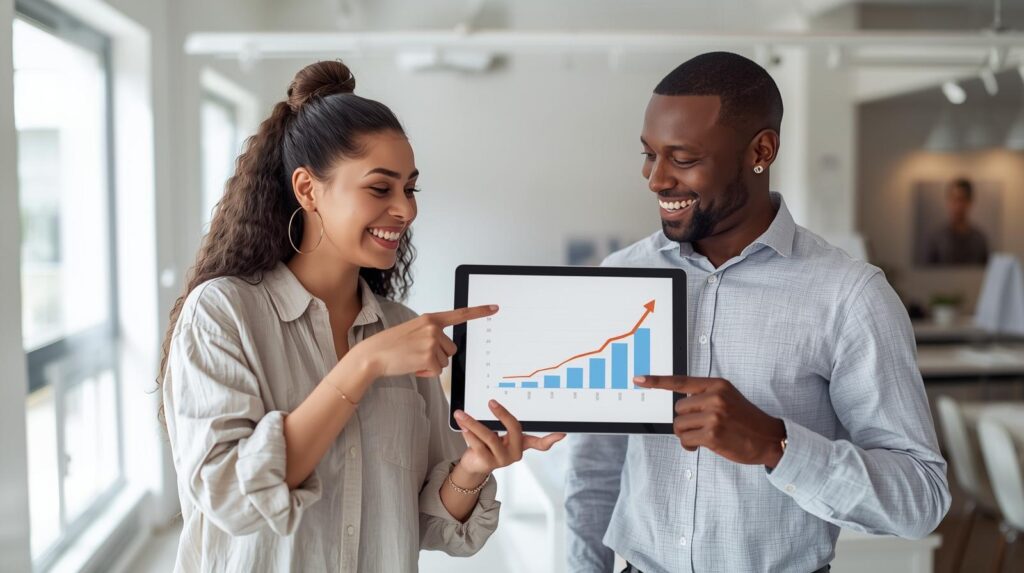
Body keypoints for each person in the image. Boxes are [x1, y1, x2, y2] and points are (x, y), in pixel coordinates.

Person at [159, 60, 564, 572]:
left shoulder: (402, 327)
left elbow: (432, 525)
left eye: (410, 189)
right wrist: (362, 364)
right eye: (381, 188)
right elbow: (233, 501)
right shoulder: (222, 313)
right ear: (308, 190)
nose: (407, 210)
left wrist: (474, 465)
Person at [565, 52, 950, 573]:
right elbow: (596, 468)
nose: (656, 180)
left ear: (760, 151)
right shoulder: (620, 276)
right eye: (649, 154)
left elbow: (920, 500)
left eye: (682, 158)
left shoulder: (849, 295)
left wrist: (777, 444)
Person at [925, 177, 990, 265]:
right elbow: (928, 274)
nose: (957, 206)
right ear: (948, 201)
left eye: (962, 200)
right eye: (954, 200)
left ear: (970, 202)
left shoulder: (979, 239)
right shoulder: (937, 239)